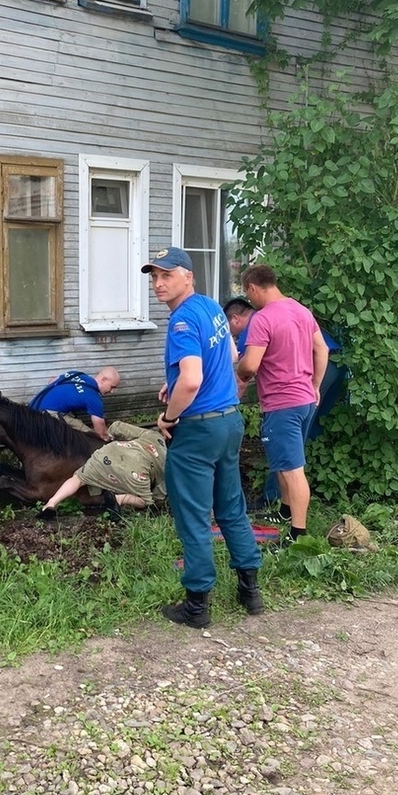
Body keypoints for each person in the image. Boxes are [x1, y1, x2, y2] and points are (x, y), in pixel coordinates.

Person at [142, 246, 263, 629]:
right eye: (154, 277)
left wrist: (169, 416)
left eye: (167, 275)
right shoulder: (211, 307)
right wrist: (173, 381)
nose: (159, 284)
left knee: (193, 516)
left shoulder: (180, 323)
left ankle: (197, 606)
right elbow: (227, 355)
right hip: (229, 421)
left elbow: (193, 379)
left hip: (197, 430)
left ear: (187, 276)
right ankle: (250, 591)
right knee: (231, 508)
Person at [236, 265, 330, 542]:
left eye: (247, 293)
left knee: (292, 470)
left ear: (253, 288)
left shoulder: (263, 319)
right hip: (304, 401)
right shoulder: (301, 311)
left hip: (282, 403)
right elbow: (322, 349)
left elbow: (250, 366)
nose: (249, 299)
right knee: (285, 462)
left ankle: (298, 536)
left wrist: (238, 372)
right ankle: (286, 512)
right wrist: (315, 386)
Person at [40, 421, 167, 517]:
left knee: (79, 478)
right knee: (145, 501)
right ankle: (118, 499)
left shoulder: (152, 434)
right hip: (136, 472)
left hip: (109, 453)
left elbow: (117, 426)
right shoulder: (169, 461)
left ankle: (51, 503)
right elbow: (160, 494)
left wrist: (111, 435)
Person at [29, 367, 120, 441]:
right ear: (103, 380)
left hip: (31, 407)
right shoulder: (94, 398)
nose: (112, 391)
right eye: (112, 387)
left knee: (72, 418)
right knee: (91, 437)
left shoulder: (76, 374)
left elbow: (51, 381)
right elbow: (100, 430)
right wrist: (106, 438)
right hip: (43, 415)